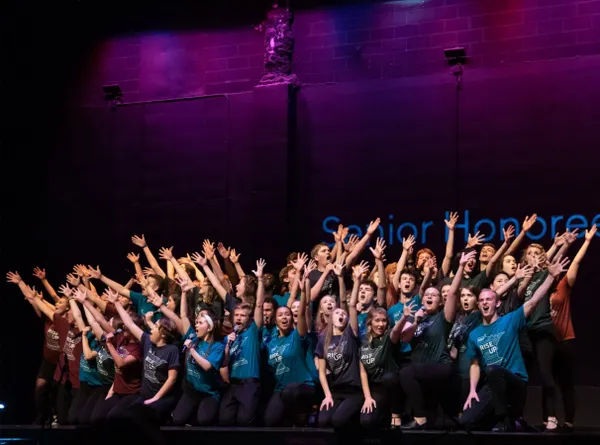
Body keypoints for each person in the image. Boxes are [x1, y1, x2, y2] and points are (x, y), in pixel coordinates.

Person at [461, 255, 570, 432]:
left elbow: (533, 302)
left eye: (489, 299)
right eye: (481, 300)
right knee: (466, 421)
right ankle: (515, 422)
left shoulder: (510, 320)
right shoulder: (475, 334)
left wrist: (550, 277)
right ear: (478, 305)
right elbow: (474, 364)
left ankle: (504, 419)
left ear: (497, 303)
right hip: (493, 385)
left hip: (515, 383)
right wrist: (472, 390)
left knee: (493, 370)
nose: (485, 303)